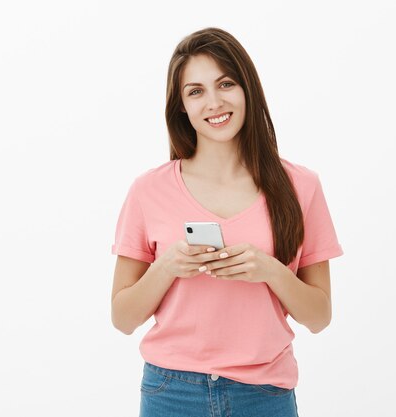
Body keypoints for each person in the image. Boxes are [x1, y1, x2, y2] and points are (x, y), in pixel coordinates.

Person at [110, 27, 343, 417]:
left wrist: (270, 271)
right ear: (181, 106)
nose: (214, 102)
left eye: (226, 83)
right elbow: (123, 318)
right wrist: (167, 266)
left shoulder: (302, 186)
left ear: (247, 88)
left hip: (265, 394)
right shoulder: (148, 190)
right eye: (196, 91)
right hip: (171, 392)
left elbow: (319, 317)